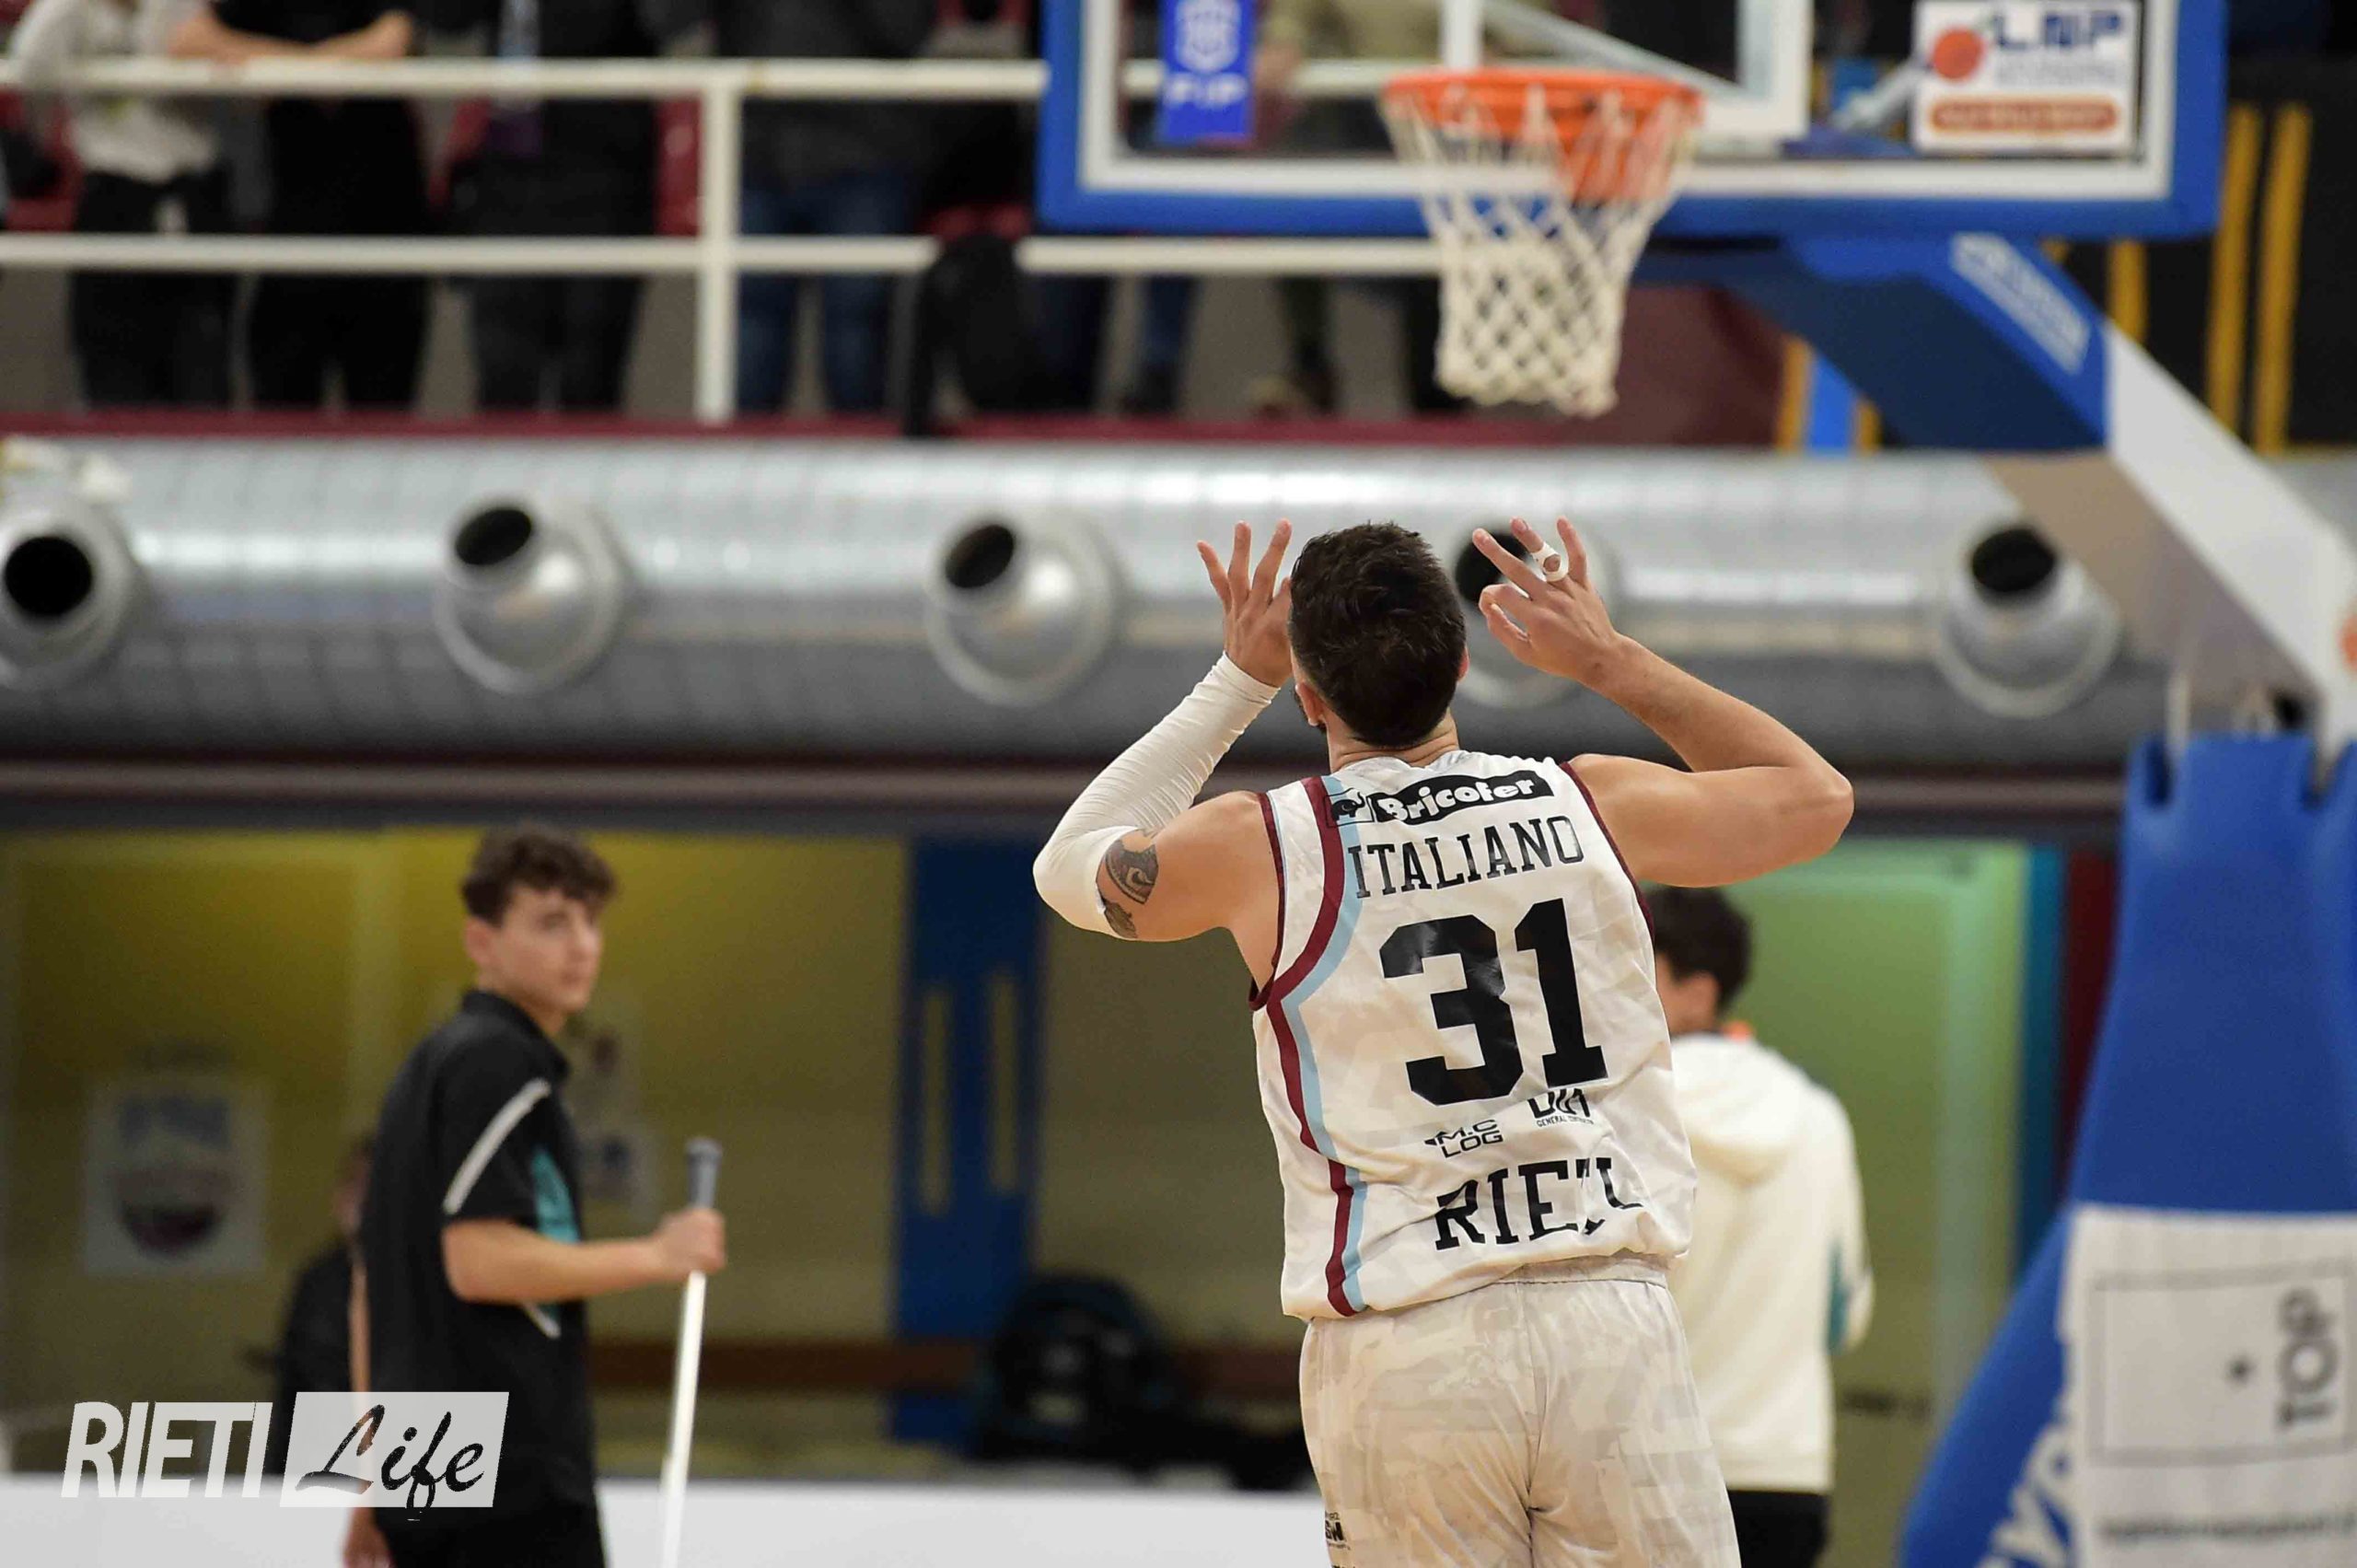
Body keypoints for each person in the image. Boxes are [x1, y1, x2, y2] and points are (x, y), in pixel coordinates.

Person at [1032, 517, 1853, 1565]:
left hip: (1406, 1336)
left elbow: (1071, 865)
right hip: (1606, 1317)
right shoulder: (1590, 800)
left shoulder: (1265, 843)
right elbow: (1816, 797)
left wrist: (1239, 677)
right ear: (1461, 662)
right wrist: (1607, 658)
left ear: (1311, 696)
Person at [349, 824, 726, 1568]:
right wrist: (657, 1254)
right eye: (552, 922)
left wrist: (371, 1483)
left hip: (426, 1469)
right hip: (509, 1475)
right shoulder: (500, 1060)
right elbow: (478, 1260)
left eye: (590, 921)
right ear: (482, 941)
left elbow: (369, 1287)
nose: (582, 945)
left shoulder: (425, 1067)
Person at [1654, 886, 1873, 1568]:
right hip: (1787, 1476)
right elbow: (1846, 1315)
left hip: (1652, 1472)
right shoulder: (1818, 1115)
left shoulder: (1622, 1110)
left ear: (1697, 992)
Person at [419, 0, 685, 412]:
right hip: (507, 181)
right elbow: (447, 18)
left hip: (606, 179)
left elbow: (665, 19)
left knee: (589, 384)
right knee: (503, 382)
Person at [168, 0, 429, 410]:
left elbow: (392, 42)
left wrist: (278, 73)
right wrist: (316, 70)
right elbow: (190, 41)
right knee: (282, 407)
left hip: (384, 224)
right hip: (290, 226)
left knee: (382, 413)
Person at [711, 0, 935, 415]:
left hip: (866, 154)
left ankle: (861, 453)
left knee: (858, 335)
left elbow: (908, 31)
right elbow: (675, 21)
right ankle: (742, 454)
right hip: (759, 155)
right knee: (751, 330)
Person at [10, 0, 232, 407]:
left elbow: (217, 57)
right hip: (112, 195)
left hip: (191, 192)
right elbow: (29, 62)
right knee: (111, 372)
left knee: (200, 367)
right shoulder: (72, 8)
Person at [262, 1135, 372, 1475]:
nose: (358, 1199)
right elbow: (294, 1389)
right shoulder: (320, 1278)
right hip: (322, 1462)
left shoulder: (434, 1278)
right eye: (353, 1184)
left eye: (372, 1186)